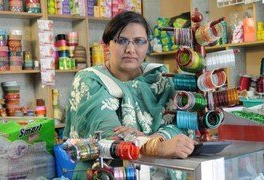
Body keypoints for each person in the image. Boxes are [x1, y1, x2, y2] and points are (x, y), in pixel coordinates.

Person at [63, 11, 195, 179]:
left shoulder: (158, 77)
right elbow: (110, 137)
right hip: (107, 173)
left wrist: (154, 138)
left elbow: (181, 123)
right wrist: (159, 147)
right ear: (107, 45)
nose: (130, 49)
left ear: (147, 45)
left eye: (139, 41)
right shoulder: (90, 80)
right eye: (122, 40)